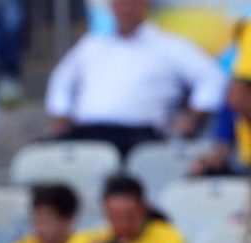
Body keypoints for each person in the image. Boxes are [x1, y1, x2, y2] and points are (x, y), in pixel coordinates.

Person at [44, 0, 224, 154]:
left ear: (146, 4)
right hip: (87, 132)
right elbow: (61, 80)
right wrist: (61, 114)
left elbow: (212, 78)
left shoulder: (169, 46)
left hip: (139, 137)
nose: (127, 8)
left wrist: (192, 118)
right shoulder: (92, 44)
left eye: (133, 2)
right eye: (121, 2)